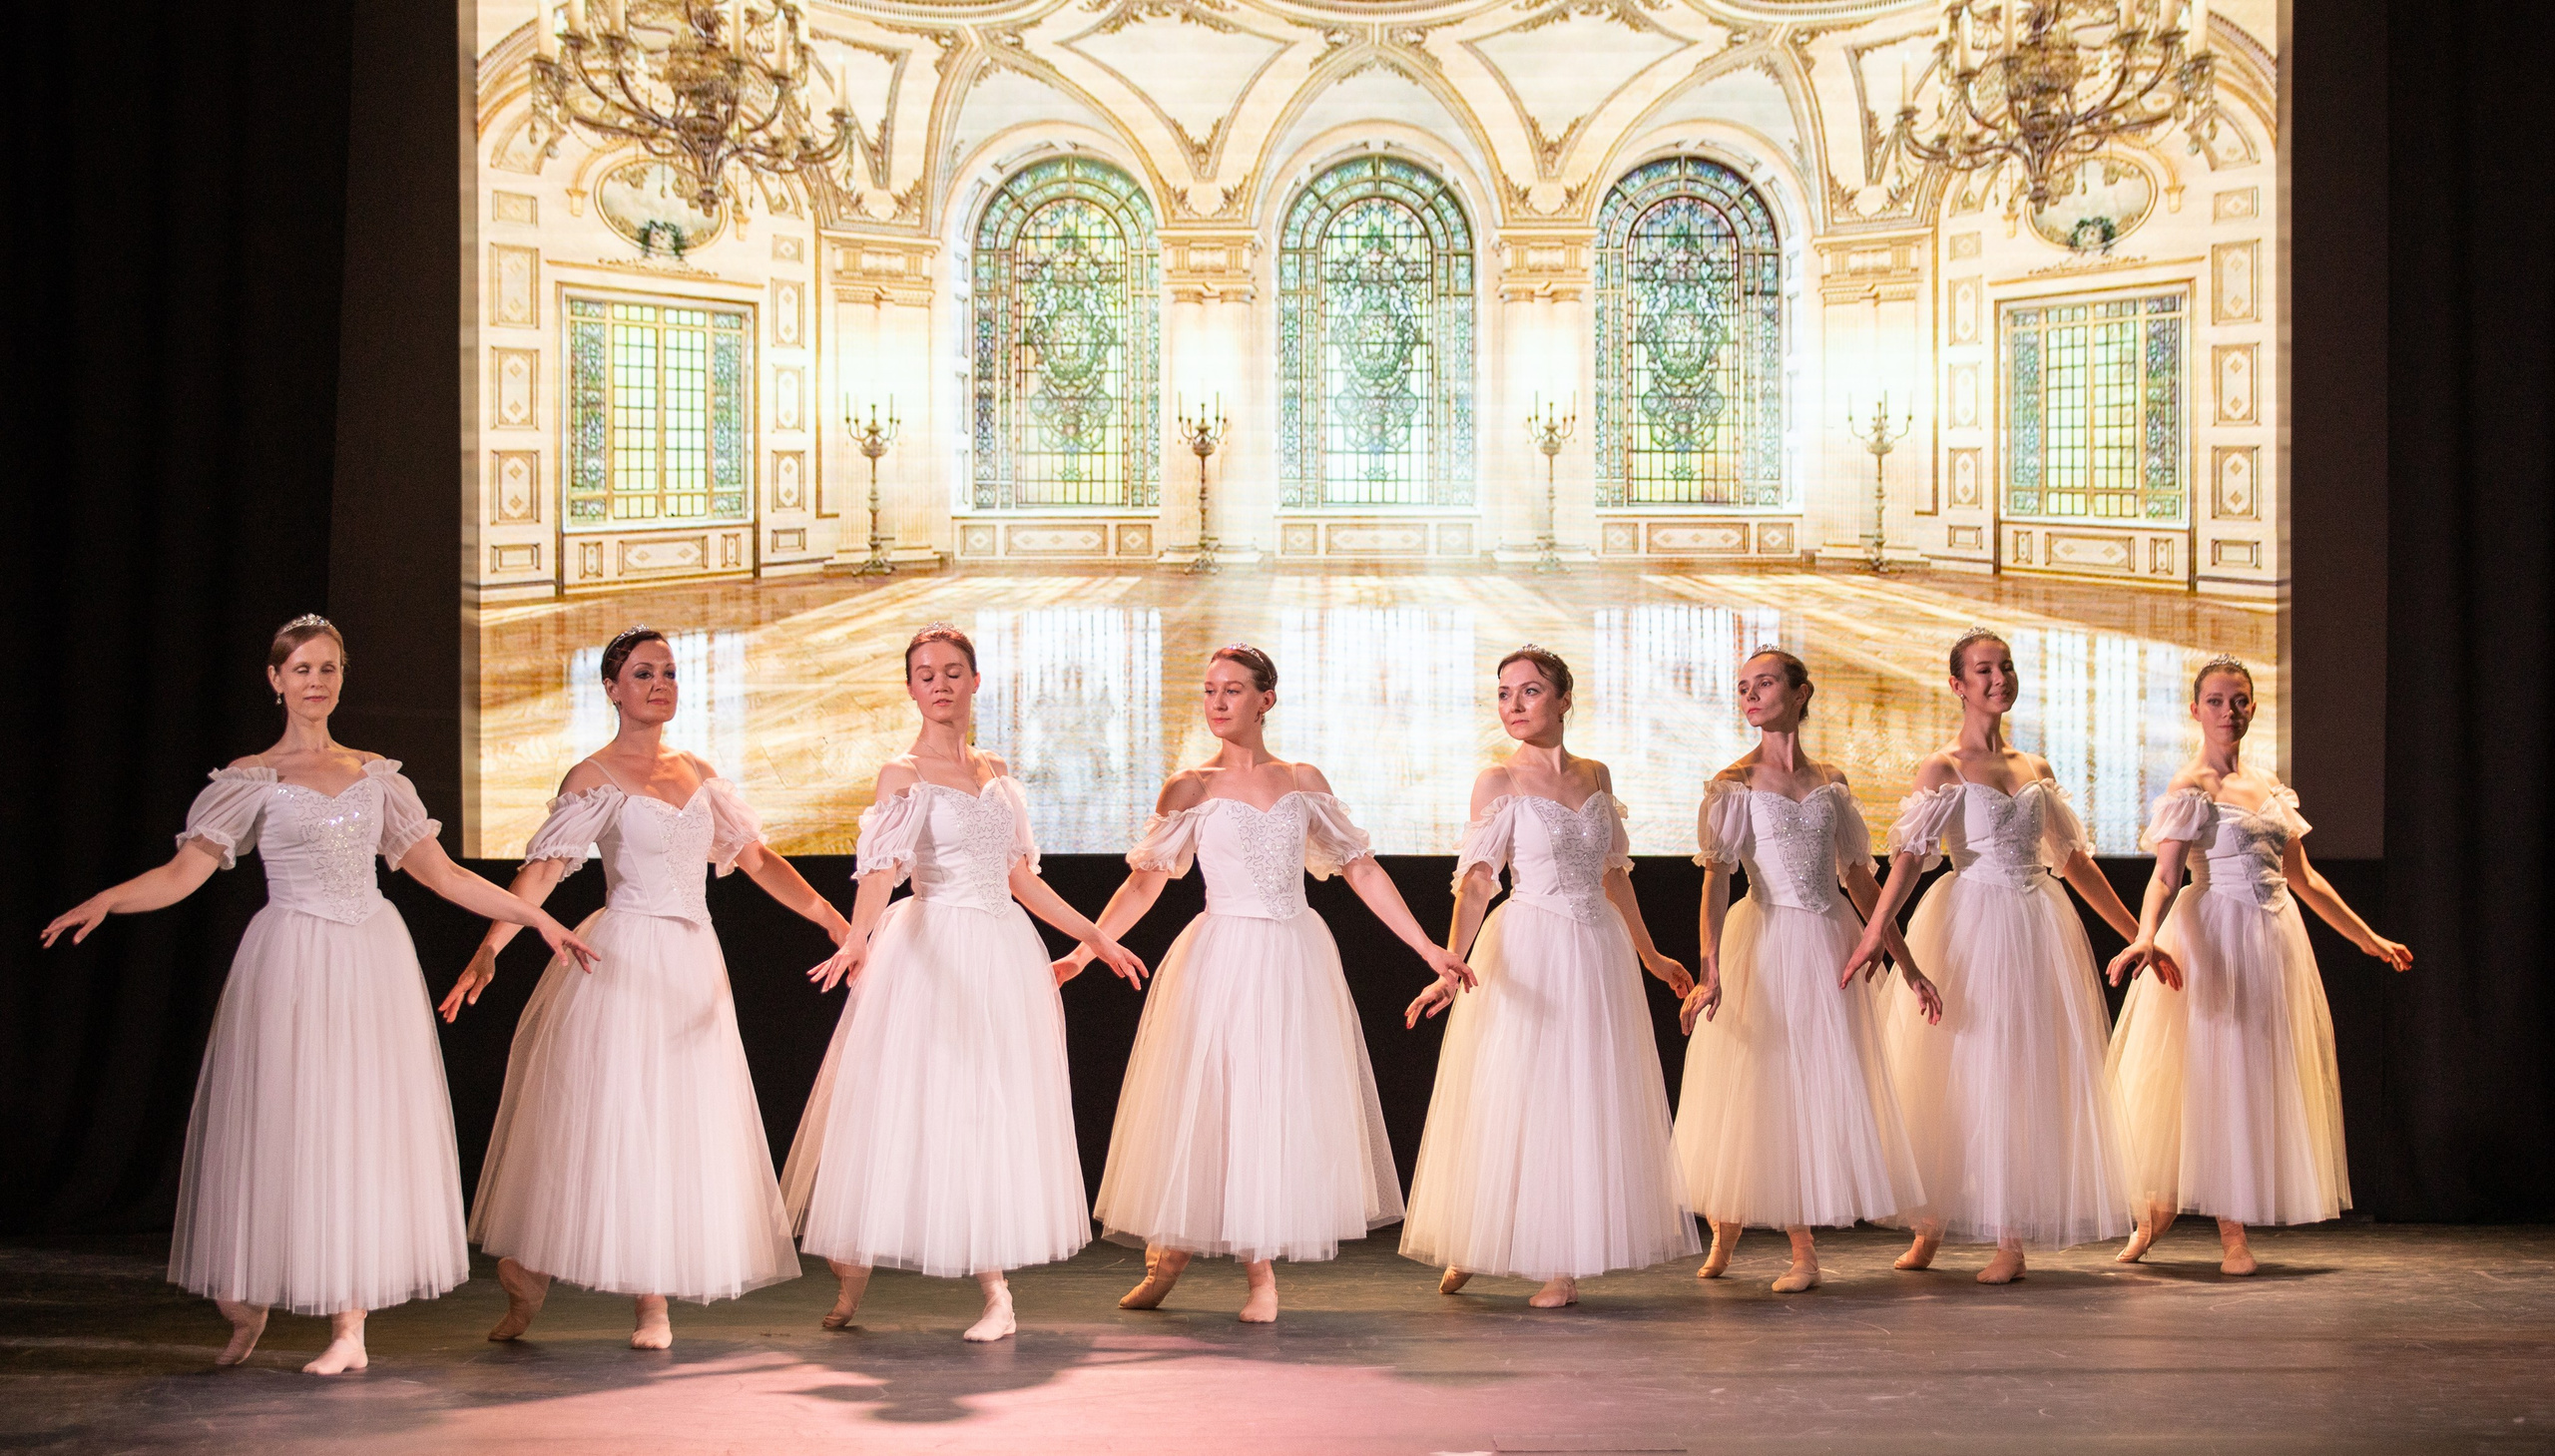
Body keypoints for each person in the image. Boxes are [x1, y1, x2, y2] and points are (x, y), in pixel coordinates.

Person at [42, 615, 596, 1375]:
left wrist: (534, 915)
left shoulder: (377, 776)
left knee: (355, 1123)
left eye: (329, 668)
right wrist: (109, 898)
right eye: (302, 668)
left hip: (368, 953)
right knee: (283, 1118)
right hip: (292, 954)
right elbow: (183, 874)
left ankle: (350, 1325)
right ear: (276, 679)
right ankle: (250, 1299)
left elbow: (442, 874)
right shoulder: (250, 779)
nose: (316, 681)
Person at [445, 627, 849, 1350]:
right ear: (611, 688)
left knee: (675, 1124)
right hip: (624, 956)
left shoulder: (696, 769)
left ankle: (594, 1285)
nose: (658, 683)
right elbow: (541, 872)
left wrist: (827, 915)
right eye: (642, 673)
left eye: (667, 672)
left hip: (693, 960)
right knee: (616, 1122)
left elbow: (755, 859)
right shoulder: (592, 775)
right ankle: (610, 1292)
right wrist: (490, 947)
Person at [1063, 645, 1477, 1322]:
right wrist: (1086, 953)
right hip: (1221, 954)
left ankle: (1259, 1275)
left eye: (1233, 689)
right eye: (1208, 690)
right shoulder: (1190, 787)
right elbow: (1145, 881)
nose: (1218, 701)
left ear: (1266, 699)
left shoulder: (1301, 779)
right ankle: (1170, 1250)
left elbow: (1362, 869)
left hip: (1292, 957)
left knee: (1268, 1103)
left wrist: (1427, 945)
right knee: (1212, 1101)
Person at [779, 625, 1147, 1341]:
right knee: (907, 1105)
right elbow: (881, 869)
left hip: (1000, 948)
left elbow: (1018, 877)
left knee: (986, 1108)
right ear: (911, 687)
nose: (939, 684)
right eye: (925, 674)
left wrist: (1095, 936)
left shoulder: (996, 771)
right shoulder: (902, 773)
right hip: (929, 948)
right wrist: (856, 937)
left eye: (952, 672)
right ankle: (852, 1266)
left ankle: (996, 1290)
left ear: (974, 681)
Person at [1842, 629, 2160, 1283]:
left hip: (2037, 923)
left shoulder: (2035, 767)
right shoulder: (1945, 767)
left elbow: (2074, 862)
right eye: (1982, 669)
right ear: (1958, 684)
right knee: (1958, 1073)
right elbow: (1907, 861)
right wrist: (1877, 930)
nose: (1997, 678)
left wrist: (2139, 934)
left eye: (2005, 666)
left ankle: (2009, 1238)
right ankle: (1931, 1220)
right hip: (1971, 923)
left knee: (2019, 1074)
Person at [1400, 647, 1699, 1308]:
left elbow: (1613, 872)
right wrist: (1452, 964)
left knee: (1580, 1097)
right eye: (1504, 692)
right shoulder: (1497, 781)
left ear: (1563, 698)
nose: (1514, 704)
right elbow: (1478, 880)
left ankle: (1560, 1261)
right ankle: (1475, 1237)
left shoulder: (1595, 774)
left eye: (1530, 691)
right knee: (1514, 1094)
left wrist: (1650, 954)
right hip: (1529, 944)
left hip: (1596, 950)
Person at [2106, 656, 2412, 1273]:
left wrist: (2365, 937)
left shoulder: (2270, 786)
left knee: (2250, 1079)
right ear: (2195, 711)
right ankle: (2223, 1233)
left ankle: (2170, 1213)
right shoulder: (2189, 788)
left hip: (2271, 944)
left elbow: (2303, 878)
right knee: (2215, 1076)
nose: (2230, 712)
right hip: (2214, 941)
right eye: (2216, 701)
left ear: (2253, 706)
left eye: (2240, 700)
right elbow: (2164, 877)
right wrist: (2146, 936)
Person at [1674, 648, 1938, 1294]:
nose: (1751, 695)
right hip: (1763, 944)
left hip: (1828, 946)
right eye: (1742, 687)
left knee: (1808, 1087)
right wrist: (1709, 969)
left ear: (1800, 692)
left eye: (1764, 683)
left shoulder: (1832, 780)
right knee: (1759, 1087)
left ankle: (1740, 1223)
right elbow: (1715, 882)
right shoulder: (1731, 784)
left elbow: (1859, 877)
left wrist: (1907, 964)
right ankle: (1789, 1245)